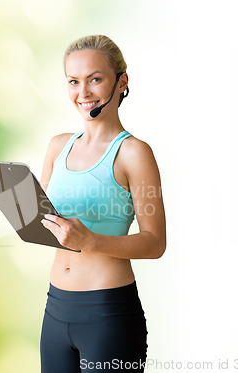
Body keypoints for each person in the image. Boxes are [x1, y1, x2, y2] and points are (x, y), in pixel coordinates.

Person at [39, 35, 166, 373]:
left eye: (95, 79)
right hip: (55, 309)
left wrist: (91, 241)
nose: (83, 92)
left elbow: (155, 243)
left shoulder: (134, 153)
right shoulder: (57, 146)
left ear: (121, 82)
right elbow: (45, 220)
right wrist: (17, 207)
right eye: (73, 81)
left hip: (107, 314)